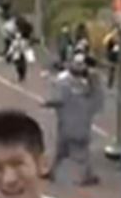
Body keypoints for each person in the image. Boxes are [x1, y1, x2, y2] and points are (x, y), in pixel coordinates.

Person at [44, 52, 105, 186]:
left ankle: (85, 176)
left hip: (69, 124)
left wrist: (48, 103)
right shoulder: (88, 86)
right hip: (79, 123)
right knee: (68, 150)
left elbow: (58, 99)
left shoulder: (67, 83)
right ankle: (55, 172)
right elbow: (97, 103)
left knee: (76, 152)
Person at [103, 23, 121, 90]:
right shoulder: (112, 37)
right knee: (112, 70)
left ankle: (111, 83)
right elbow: (107, 45)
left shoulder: (110, 36)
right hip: (113, 55)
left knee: (112, 70)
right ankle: (111, 83)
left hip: (113, 55)